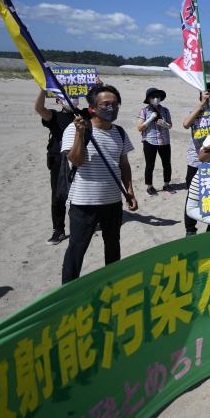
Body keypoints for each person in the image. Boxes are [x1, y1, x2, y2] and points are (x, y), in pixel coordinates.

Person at [60, 85, 138, 283]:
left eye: (115, 104)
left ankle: (112, 283)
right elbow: (75, 160)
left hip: (112, 201)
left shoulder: (119, 133)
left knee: (113, 246)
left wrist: (129, 192)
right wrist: (80, 134)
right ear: (92, 108)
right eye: (106, 104)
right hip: (84, 203)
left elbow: (124, 165)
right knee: (77, 248)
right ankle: (68, 289)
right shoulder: (75, 128)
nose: (111, 108)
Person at [34, 88, 78, 245]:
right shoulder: (55, 116)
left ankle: (86, 222)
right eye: (67, 96)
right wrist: (42, 89)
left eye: (74, 95)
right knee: (58, 195)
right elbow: (39, 109)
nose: (72, 99)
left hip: (81, 160)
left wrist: (98, 87)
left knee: (81, 192)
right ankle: (58, 230)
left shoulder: (83, 114)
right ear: (59, 100)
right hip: (60, 161)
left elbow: (100, 108)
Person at [181, 82, 210, 236]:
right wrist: (201, 105)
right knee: (192, 196)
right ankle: (190, 229)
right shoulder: (196, 112)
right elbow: (186, 124)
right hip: (196, 162)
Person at [137, 87, 173, 196]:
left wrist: (165, 124)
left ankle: (167, 184)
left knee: (167, 164)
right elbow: (139, 128)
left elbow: (170, 125)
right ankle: (149, 187)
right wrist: (150, 119)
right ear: (148, 99)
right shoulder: (144, 111)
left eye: (158, 97)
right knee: (150, 164)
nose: (156, 99)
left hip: (164, 141)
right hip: (150, 141)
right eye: (153, 97)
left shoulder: (165, 110)